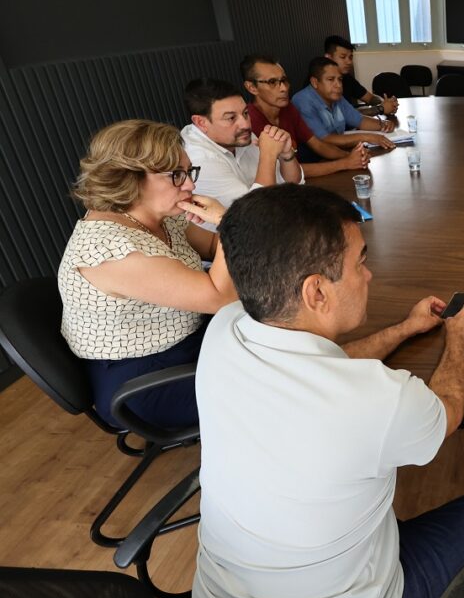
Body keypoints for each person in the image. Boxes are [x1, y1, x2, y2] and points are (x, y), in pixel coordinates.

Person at [193, 184, 464, 598]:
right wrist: (458, 337)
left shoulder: (225, 329)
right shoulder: (378, 400)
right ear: (316, 293)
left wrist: (404, 329)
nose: (369, 275)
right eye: (360, 262)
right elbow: (448, 410)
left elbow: (329, 362)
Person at [58, 120, 235, 429]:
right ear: (130, 178)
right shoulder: (111, 250)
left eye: (189, 172)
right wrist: (230, 223)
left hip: (189, 342)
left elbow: (211, 246)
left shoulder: (159, 217)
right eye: (176, 175)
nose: (190, 186)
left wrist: (230, 233)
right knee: (273, 386)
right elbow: (220, 297)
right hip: (144, 379)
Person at [181, 78, 304, 230]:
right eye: (231, 118)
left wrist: (286, 155)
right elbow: (256, 214)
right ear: (201, 123)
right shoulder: (197, 158)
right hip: (232, 238)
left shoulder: (239, 135)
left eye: (245, 113)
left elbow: (293, 184)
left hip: (275, 222)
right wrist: (269, 155)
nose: (245, 124)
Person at [241, 54, 370, 178]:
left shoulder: (288, 108)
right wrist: (345, 163)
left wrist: (351, 156)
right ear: (252, 87)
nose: (284, 88)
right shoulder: (249, 121)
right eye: (272, 82)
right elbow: (282, 172)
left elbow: (317, 144)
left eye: (284, 80)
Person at [291, 57, 398, 153]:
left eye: (340, 79)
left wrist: (382, 124)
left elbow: (359, 120)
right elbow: (324, 139)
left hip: (339, 152)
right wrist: (367, 137)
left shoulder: (336, 97)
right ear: (315, 82)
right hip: (314, 160)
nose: (338, 85)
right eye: (331, 79)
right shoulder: (302, 101)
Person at [325, 34, 400, 117]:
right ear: (328, 58)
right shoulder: (321, 84)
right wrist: (380, 108)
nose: (349, 62)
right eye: (343, 57)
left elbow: (370, 98)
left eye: (350, 57)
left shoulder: (347, 78)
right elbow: (344, 115)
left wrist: (385, 103)